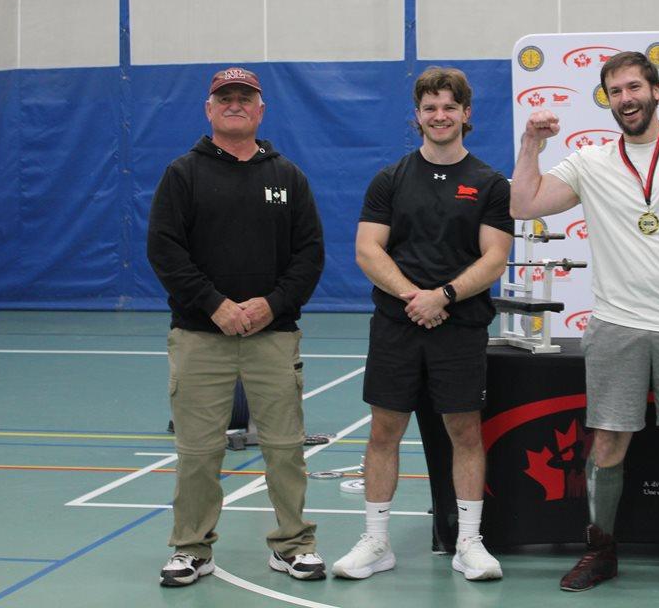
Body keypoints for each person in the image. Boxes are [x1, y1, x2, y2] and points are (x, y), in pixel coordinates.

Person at [510, 50, 659, 598]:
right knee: (607, 441)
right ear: (608, 100)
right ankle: (600, 551)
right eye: (615, 91)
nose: (626, 99)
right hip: (616, 326)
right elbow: (523, 205)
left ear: (657, 91)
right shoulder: (590, 162)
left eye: (634, 87)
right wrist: (531, 144)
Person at [147, 67, 326, 586]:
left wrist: (273, 304)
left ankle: (293, 545)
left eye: (244, 98)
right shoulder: (183, 174)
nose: (234, 104)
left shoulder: (287, 177)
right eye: (224, 97)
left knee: (285, 448)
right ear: (209, 109)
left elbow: (309, 253)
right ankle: (191, 548)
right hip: (200, 337)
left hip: (273, 337)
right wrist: (215, 305)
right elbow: (165, 249)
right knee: (198, 452)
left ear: (260, 110)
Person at [332, 67, 512, 582]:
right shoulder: (390, 179)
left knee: (465, 431)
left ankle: (469, 543)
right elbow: (368, 250)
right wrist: (415, 298)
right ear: (417, 115)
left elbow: (494, 257)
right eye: (430, 107)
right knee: (383, 431)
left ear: (466, 113)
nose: (440, 116)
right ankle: (376, 542)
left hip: (460, 327)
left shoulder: (489, 184)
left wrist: (444, 296)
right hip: (398, 325)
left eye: (449, 107)